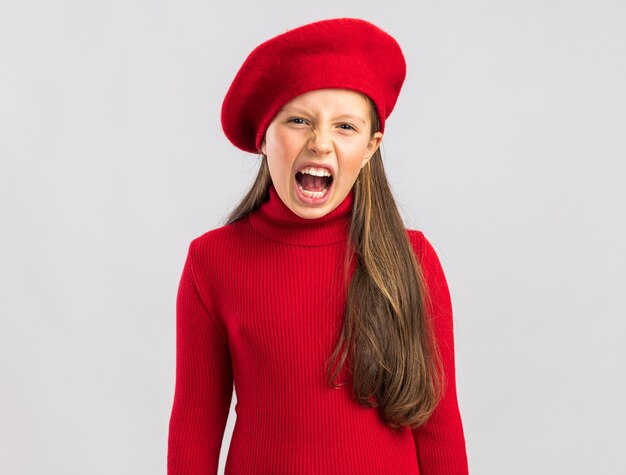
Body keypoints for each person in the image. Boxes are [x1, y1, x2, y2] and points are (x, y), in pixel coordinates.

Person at [167, 18, 468, 474]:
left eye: (345, 126)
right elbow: (195, 427)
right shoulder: (212, 261)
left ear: (370, 147)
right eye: (299, 120)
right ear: (264, 138)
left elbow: (439, 428)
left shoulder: (413, 260)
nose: (320, 142)